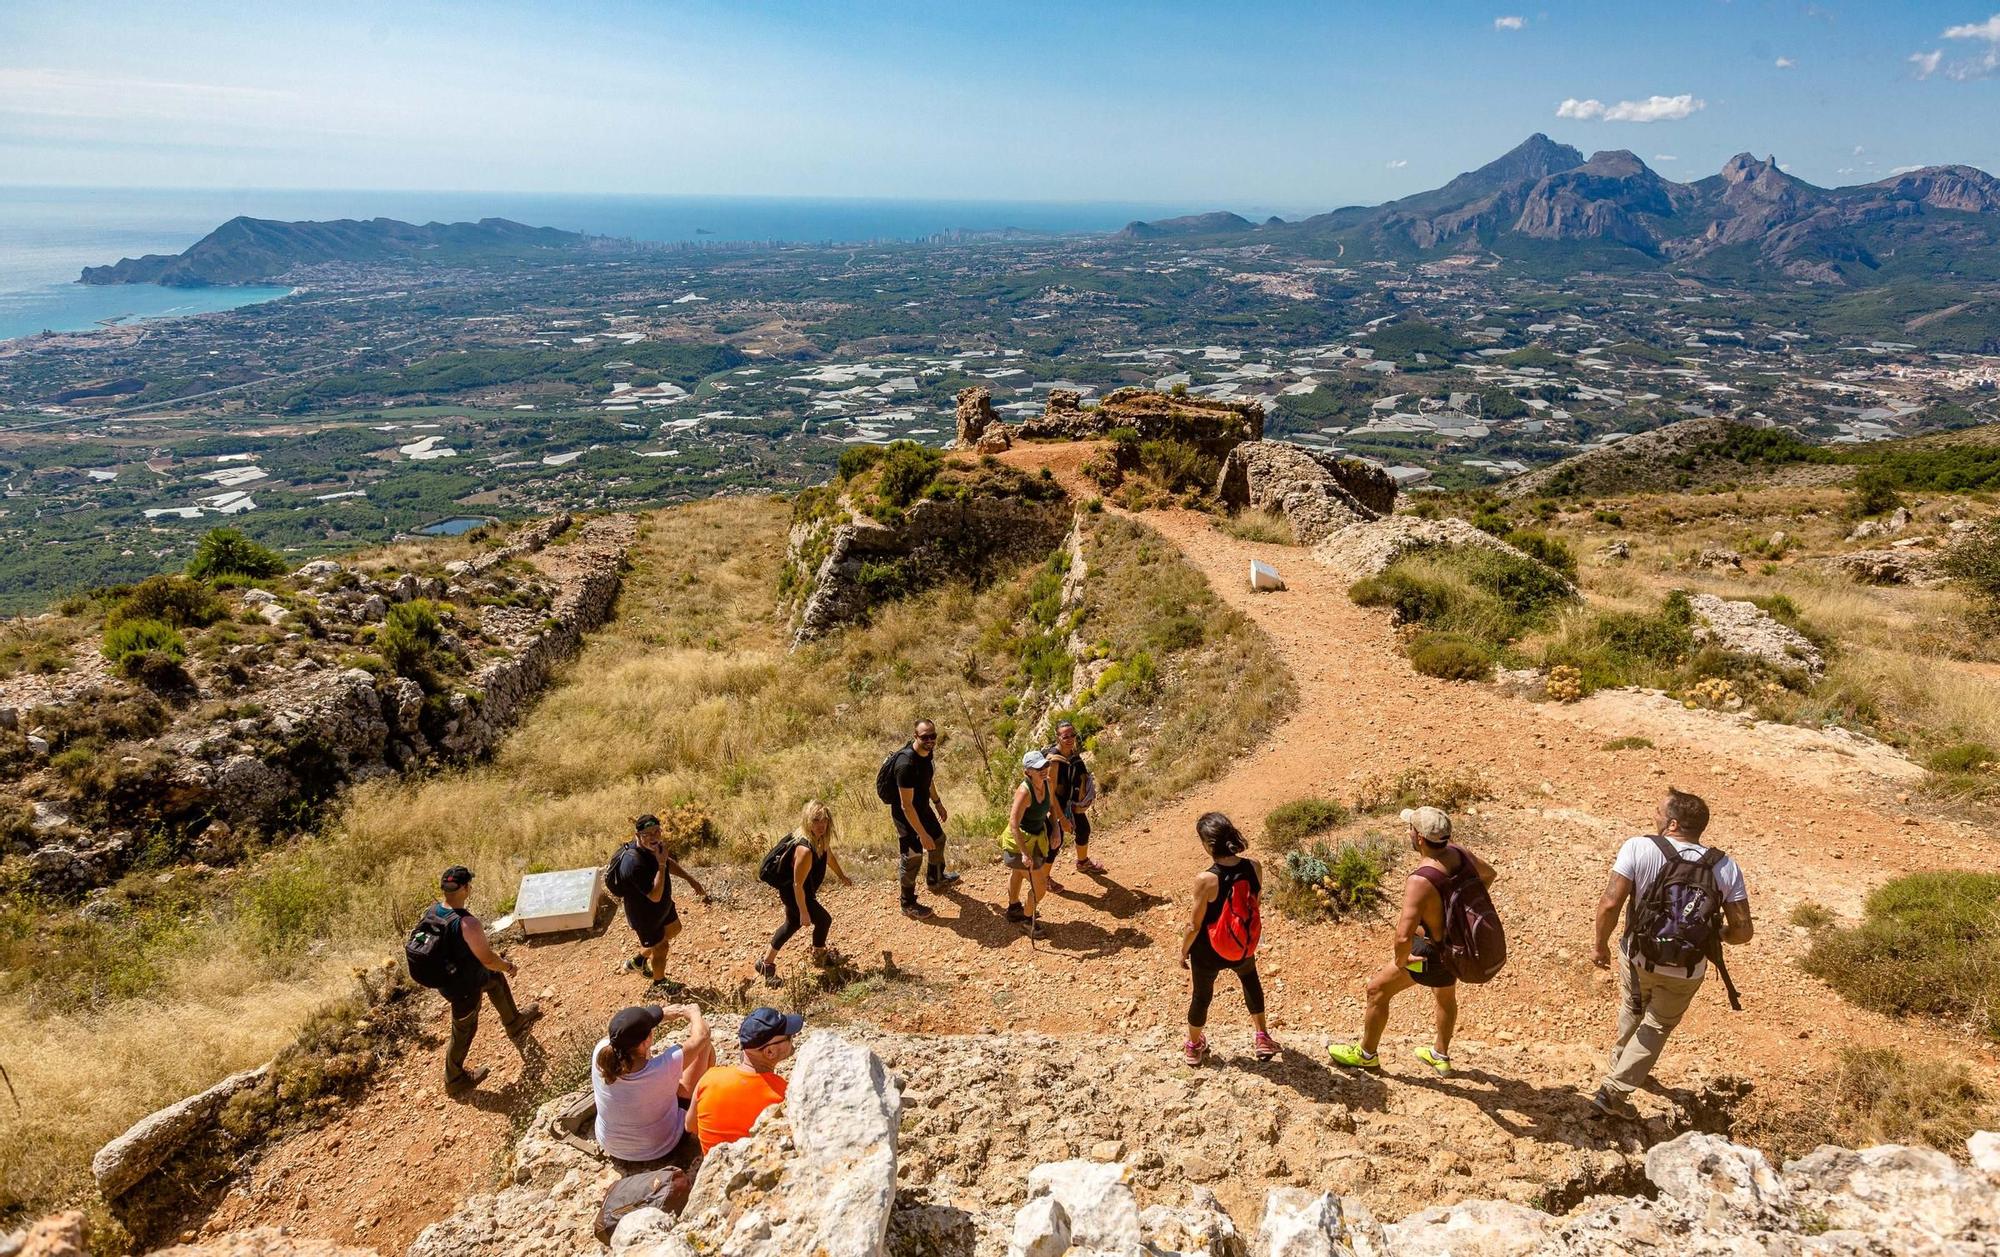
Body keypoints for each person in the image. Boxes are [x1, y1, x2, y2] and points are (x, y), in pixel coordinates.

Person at [1589, 788, 1753, 1120]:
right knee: (1658, 1024)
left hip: (1637, 955)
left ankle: (1614, 1089)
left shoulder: (1639, 847)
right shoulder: (1725, 866)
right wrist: (1717, 935)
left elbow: (1610, 903)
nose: (1655, 815)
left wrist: (1600, 945)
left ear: (1673, 823)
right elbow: (1743, 931)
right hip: (1687, 968)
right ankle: (1624, 1074)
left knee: (1634, 1006)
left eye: (1659, 812)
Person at [1329, 807, 1496, 1075]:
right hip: (1456, 949)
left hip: (1430, 954)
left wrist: (1401, 959)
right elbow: (1489, 875)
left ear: (1419, 837)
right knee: (1445, 995)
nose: (1408, 832)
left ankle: (1366, 1055)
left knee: (1377, 990)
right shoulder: (1461, 854)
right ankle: (1440, 1055)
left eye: (1410, 828)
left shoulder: (1421, 879)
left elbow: (1404, 935)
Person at [422, 865, 542, 1096]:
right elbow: (487, 959)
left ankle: (514, 1021)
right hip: (462, 987)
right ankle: (454, 1077)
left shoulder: (433, 911)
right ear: (466, 888)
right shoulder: (468, 924)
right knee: (465, 1028)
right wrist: (508, 966)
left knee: (494, 981)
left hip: (453, 976)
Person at [1180, 812, 1278, 1064]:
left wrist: (1183, 951)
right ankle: (1262, 1036)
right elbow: (1253, 904)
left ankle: (1193, 1046)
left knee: (1202, 996)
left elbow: (1194, 924)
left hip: (1208, 951)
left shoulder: (1206, 879)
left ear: (1208, 845)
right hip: (1241, 944)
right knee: (1250, 981)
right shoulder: (1254, 867)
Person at [592, 1002, 714, 1170]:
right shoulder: (663, 1067)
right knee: (703, 1047)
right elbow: (702, 1036)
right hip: (662, 1147)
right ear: (644, 1042)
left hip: (611, 1145)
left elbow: (629, 1038)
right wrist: (694, 1013)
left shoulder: (600, 1052)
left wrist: (662, 1014)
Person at [756, 801, 854, 983]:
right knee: (824, 920)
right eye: (816, 821)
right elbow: (797, 885)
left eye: (824, 821)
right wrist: (803, 912)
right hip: (795, 894)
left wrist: (842, 876)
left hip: (800, 892)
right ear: (808, 821)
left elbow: (829, 856)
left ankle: (765, 963)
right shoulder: (805, 850)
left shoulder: (820, 840)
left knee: (791, 925)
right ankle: (819, 956)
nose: (821, 825)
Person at [689, 1007, 803, 1153]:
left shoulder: (709, 1078)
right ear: (770, 1052)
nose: (793, 1038)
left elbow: (690, 1126)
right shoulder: (784, 1094)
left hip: (713, 1169)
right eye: (788, 1036)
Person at [610, 814, 710, 982]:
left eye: (656, 831)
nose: (653, 837)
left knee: (674, 929)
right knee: (661, 947)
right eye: (647, 834)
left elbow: (667, 861)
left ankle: (639, 960)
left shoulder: (652, 848)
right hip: (645, 916)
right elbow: (655, 895)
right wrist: (661, 864)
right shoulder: (633, 863)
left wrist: (691, 880)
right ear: (637, 836)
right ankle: (660, 983)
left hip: (662, 907)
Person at [890, 720, 958, 919]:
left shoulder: (927, 754)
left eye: (932, 736)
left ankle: (935, 879)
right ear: (915, 736)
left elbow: (928, 780)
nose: (929, 740)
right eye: (924, 737)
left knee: (939, 840)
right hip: (906, 814)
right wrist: (921, 834)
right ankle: (907, 903)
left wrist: (937, 803)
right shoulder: (905, 765)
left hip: (922, 807)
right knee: (913, 856)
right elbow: (905, 805)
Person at [1001, 749, 1064, 937]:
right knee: (1040, 887)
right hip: (1018, 843)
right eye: (1038, 768)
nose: (1044, 770)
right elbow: (1013, 824)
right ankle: (1028, 922)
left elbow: (1052, 807)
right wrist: (1024, 853)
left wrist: (1055, 829)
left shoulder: (1048, 783)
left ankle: (1014, 909)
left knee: (1018, 875)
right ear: (1027, 772)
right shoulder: (1023, 792)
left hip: (1036, 838)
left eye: (1045, 765)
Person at [1047, 720, 1106, 875]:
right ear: (1057, 737)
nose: (1070, 739)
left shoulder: (1072, 754)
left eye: (1072, 735)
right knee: (1054, 843)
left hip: (1071, 804)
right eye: (1065, 736)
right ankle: (1044, 878)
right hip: (1055, 807)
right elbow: (1050, 793)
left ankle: (1082, 862)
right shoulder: (1054, 761)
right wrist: (1062, 819)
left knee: (1083, 830)